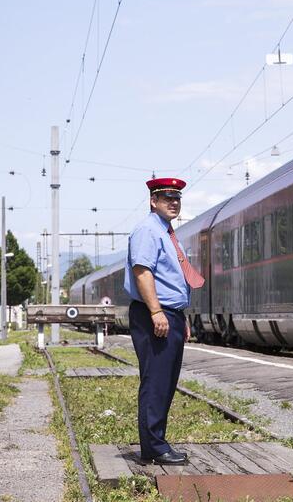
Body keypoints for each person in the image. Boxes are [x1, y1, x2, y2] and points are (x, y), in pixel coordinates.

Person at [124, 177, 205, 465]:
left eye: (177, 198)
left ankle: (157, 442)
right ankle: (154, 448)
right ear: (153, 200)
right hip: (152, 315)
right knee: (156, 381)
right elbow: (143, 272)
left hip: (167, 314)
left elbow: (172, 278)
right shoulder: (148, 230)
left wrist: (178, 316)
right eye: (167, 197)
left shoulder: (166, 232)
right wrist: (158, 312)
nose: (174, 202)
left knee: (166, 381)